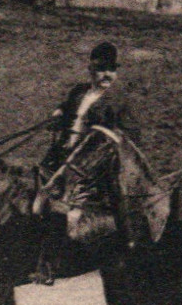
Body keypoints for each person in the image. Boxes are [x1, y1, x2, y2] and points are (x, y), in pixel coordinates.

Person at [32, 41, 137, 284]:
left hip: (92, 164)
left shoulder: (118, 101)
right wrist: (59, 112)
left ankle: (51, 263)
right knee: (33, 190)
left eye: (112, 69)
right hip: (62, 155)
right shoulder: (80, 92)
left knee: (62, 206)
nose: (107, 75)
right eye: (101, 69)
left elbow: (130, 137)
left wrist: (111, 142)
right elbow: (68, 108)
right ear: (91, 70)